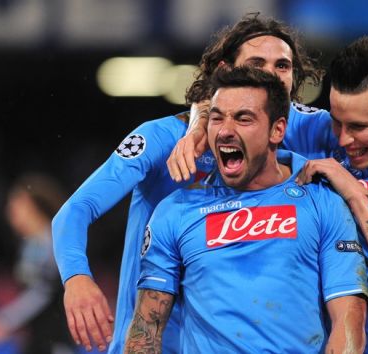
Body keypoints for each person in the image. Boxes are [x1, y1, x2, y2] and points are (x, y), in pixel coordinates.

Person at [167, 36, 368, 352]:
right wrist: (198, 125)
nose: (344, 139)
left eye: (359, 126)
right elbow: (233, 94)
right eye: (337, 121)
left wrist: (350, 186)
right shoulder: (317, 130)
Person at [52, 12, 325, 353]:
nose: (271, 73)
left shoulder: (302, 131)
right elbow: (76, 209)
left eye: (282, 65)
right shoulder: (162, 137)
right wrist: (76, 278)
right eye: (257, 62)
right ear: (226, 71)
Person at [124, 65, 368, 353]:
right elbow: (146, 331)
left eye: (243, 119)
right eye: (216, 118)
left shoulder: (322, 203)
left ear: (277, 130)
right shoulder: (175, 212)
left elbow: (348, 321)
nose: (226, 131)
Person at [0, 173, 74, 354]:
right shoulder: (29, 245)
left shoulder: (53, 243)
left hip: (55, 339)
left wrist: (6, 321)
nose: (9, 211)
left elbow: (44, 291)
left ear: (32, 206)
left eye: (15, 205)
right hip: (37, 339)